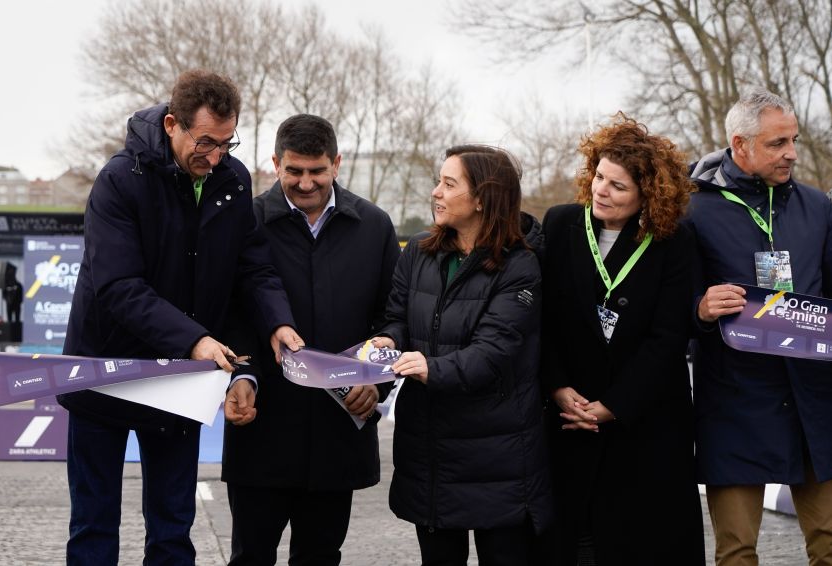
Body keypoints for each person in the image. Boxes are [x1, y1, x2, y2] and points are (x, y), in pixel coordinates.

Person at [58, 69, 302, 566]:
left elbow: (251, 268)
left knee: (172, 529)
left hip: (178, 383)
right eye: (206, 142)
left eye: (227, 143)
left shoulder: (232, 179)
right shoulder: (117, 182)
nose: (215, 157)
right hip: (103, 375)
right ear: (172, 124)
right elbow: (119, 287)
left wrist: (277, 321)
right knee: (93, 527)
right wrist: (194, 340)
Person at [221, 113, 402, 565]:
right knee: (250, 556)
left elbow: (395, 320)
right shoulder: (245, 222)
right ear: (275, 163)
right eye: (294, 171)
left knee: (321, 556)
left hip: (338, 429)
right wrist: (240, 376)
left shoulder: (375, 227)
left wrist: (376, 383)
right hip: (263, 426)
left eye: (317, 171)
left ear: (337, 164)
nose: (305, 183)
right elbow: (228, 316)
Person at [372, 144, 551, 565]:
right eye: (439, 181)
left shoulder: (521, 266)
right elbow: (396, 318)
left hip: (499, 458)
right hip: (430, 451)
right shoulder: (417, 252)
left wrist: (429, 368)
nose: (436, 191)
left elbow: (493, 353)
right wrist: (387, 342)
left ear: (482, 198)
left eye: (449, 184)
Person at [540, 114, 704, 565]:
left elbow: (668, 337)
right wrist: (557, 388)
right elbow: (542, 321)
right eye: (599, 176)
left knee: (644, 543)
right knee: (578, 542)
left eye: (617, 186)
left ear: (647, 194)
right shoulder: (559, 225)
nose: (600, 190)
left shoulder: (673, 240)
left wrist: (613, 406)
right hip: (571, 416)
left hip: (645, 425)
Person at [687, 87, 832, 565]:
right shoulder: (692, 210)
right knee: (737, 552)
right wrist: (700, 309)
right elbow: (669, 305)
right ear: (740, 144)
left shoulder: (818, 207)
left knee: (829, 543)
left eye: (793, 139)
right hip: (735, 402)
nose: (791, 152)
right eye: (777, 143)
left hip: (812, 402)